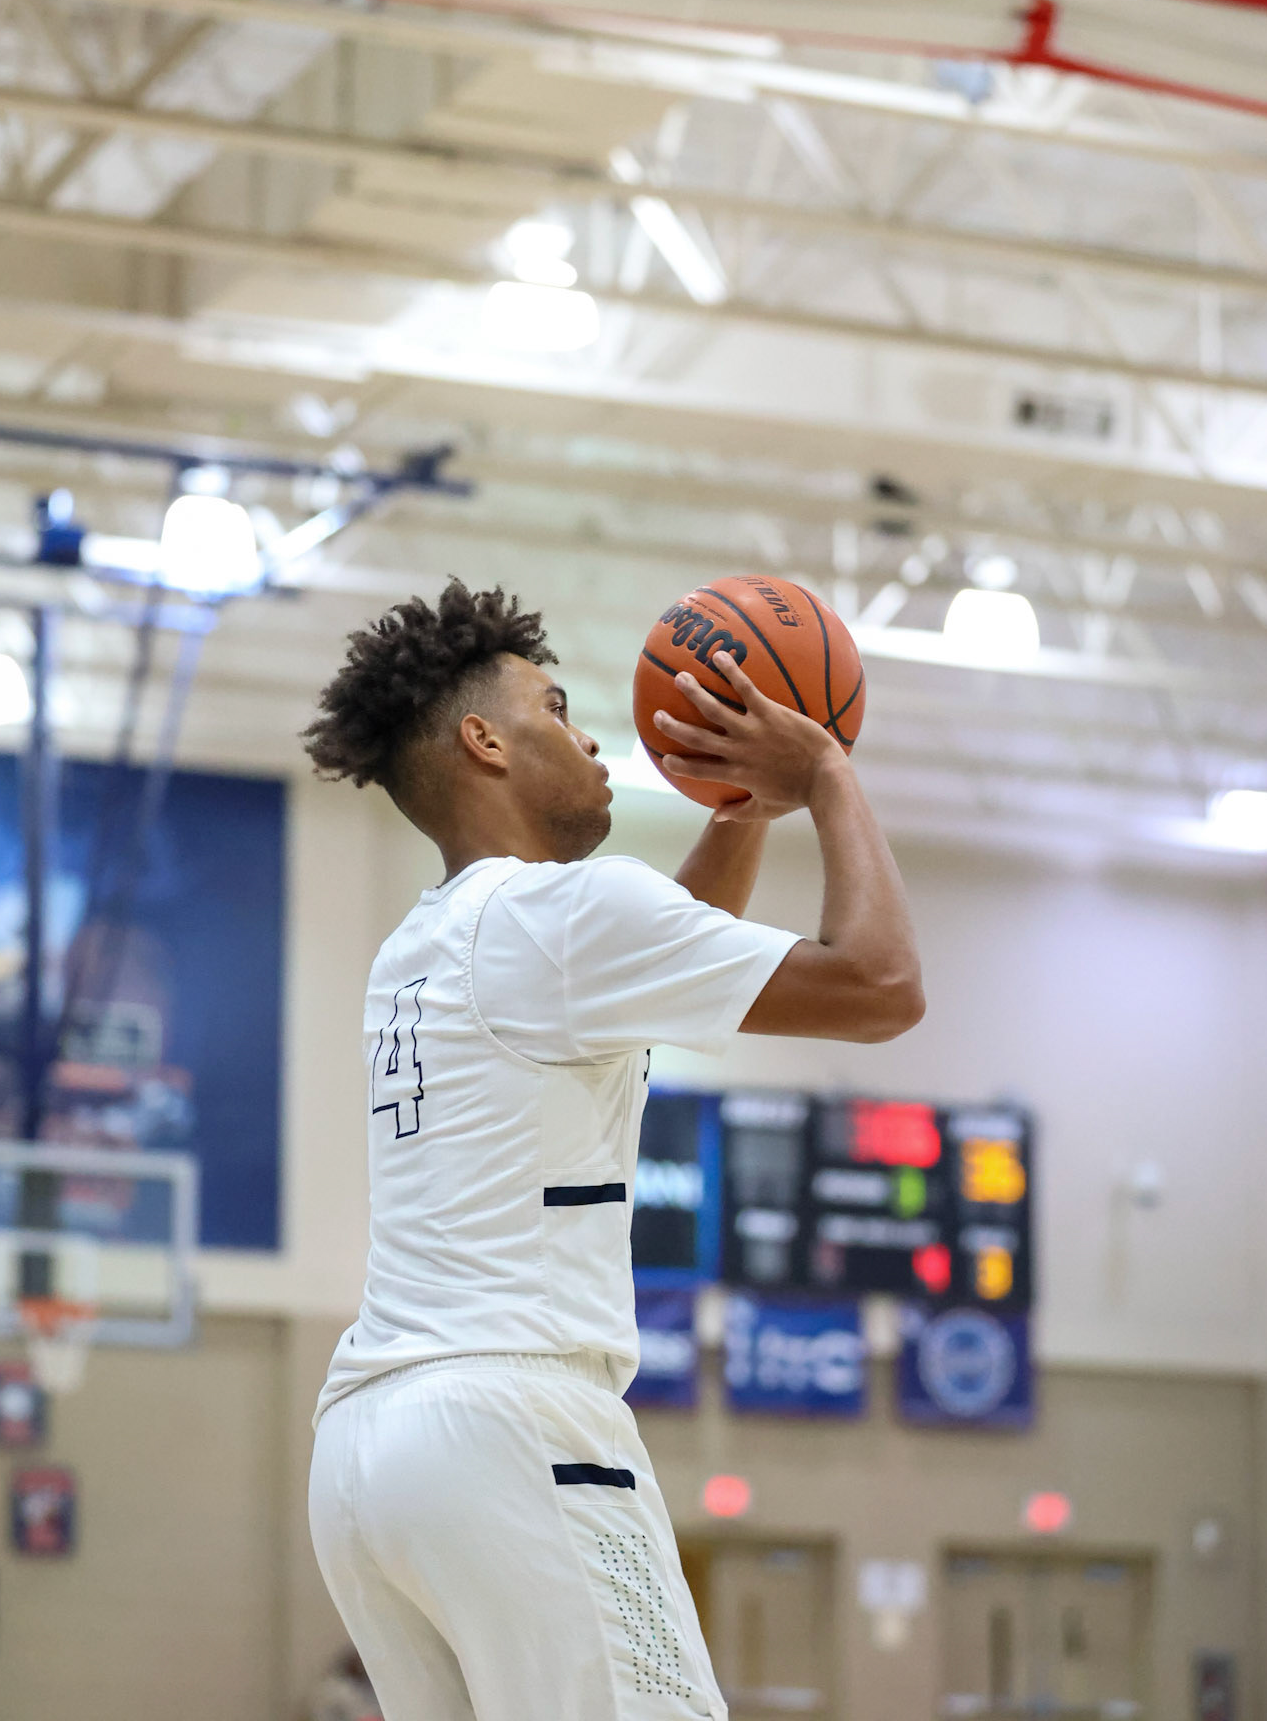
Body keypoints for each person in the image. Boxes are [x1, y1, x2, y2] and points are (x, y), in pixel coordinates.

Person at [305, 580, 923, 1721]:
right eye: (555, 706)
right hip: (512, 1422)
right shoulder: (561, 918)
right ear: (484, 741)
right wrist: (827, 771)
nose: (591, 737)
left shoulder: (425, 945)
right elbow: (882, 985)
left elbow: (654, 964)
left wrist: (740, 810)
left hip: (363, 1455)